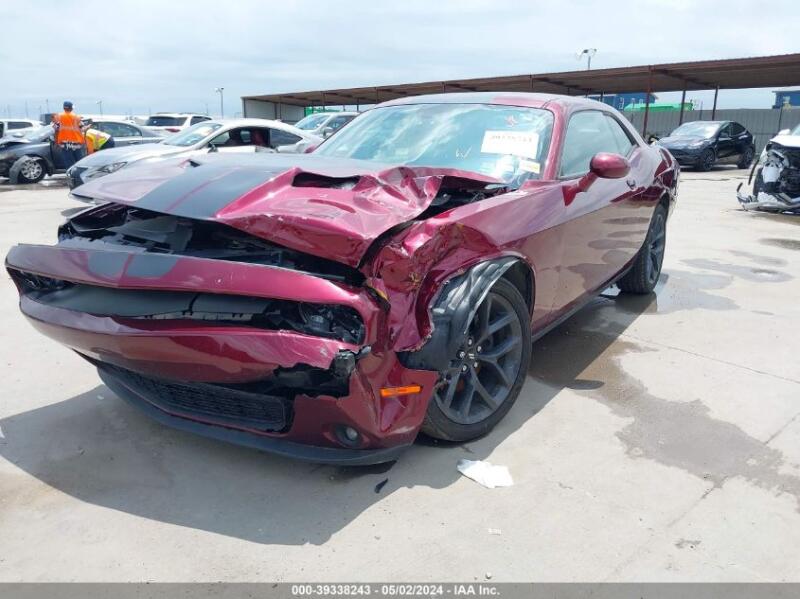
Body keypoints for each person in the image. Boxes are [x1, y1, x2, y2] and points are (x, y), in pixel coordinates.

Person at [51, 101, 86, 168]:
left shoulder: (59, 117)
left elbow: (56, 130)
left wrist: (56, 142)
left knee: (69, 162)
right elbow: (82, 129)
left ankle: (71, 175)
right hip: (76, 143)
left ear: (64, 108)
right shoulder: (76, 117)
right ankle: (80, 175)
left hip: (65, 143)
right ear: (71, 108)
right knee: (79, 161)